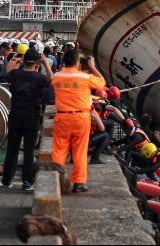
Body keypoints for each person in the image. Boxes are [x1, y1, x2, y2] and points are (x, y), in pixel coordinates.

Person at [50, 50, 106, 193]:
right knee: (80, 151)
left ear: (63, 61)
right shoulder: (85, 77)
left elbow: (53, 80)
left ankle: (55, 178)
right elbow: (101, 84)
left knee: (59, 149)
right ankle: (79, 182)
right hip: (81, 117)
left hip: (62, 117)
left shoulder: (57, 76)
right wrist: (92, 66)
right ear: (77, 62)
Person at [1, 48, 53, 190]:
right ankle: (27, 182)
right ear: (37, 62)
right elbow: (52, 80)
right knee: (29, 150)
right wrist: (47, 64)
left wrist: (18, 64)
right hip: (31, 116)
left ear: (24, 60)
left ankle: (7, 180)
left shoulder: (15, 75)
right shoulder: (40, 78)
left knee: (12, 147)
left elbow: (9, 75)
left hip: (15, 114)